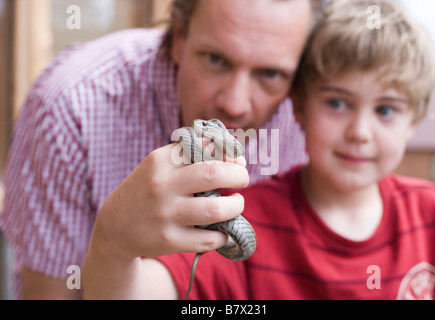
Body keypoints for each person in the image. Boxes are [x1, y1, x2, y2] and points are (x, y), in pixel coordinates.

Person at [83, 0, 435, 299]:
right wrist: (111, 244)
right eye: (337, 104)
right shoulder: (242, 211)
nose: (359, 132)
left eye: (385, 110)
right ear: (299, 107)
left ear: (415, 119)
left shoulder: (434, 215)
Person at [0, 0, 326, 299]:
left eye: (271, 74)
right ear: (180, 36)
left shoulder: (317, 114)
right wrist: (113, 243)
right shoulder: (69, 106)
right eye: (216, 60)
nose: (235, 104)